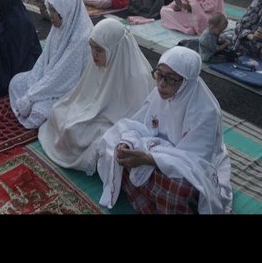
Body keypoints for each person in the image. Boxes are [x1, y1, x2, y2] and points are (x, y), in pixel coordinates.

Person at [97, 46, 233, 214]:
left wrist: (149, 159)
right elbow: (139, 125)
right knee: (114, 149)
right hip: (158, 152)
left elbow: (196, 162)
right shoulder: (158, 94)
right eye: (159, 74)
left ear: (186, 82)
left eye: (170, 79)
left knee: (182, 190)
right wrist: (127, 144)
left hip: (189, 164)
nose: (161, 84)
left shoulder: (205, 111)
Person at [38, 18, 155, 175]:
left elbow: (132, 119)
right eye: (91, 47)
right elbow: (83, 95)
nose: (94, 54)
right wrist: (82, 112)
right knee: (57, 111)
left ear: (114, 49)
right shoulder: (100, 62)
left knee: (75, 131)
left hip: (112, 122)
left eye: (99, 50)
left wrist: (87, 117)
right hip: (93, 111)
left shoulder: (137, 76)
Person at [9, 0, 93, 129]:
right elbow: (43, 61)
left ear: (67, 11)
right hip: (48, 81)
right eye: (50, 10)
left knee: (39, 112)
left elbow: (62, 76)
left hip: (67, 89)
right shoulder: (58, 28)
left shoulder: (82, 38)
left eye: (54, 11)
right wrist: (33, 84)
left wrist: (31, 96)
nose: (50, 15)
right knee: (16, 82)